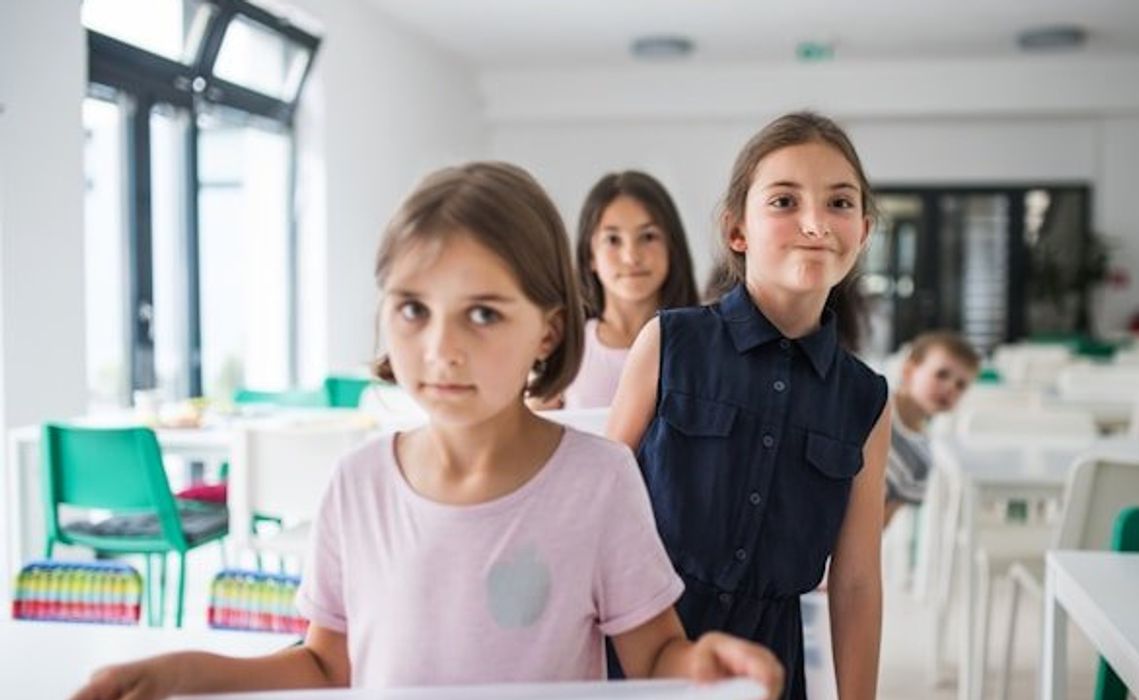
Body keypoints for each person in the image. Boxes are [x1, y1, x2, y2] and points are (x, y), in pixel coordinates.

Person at [71, 162, 783, 700]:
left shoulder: (597, 481)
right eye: (413, 309)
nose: (441, 348)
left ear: (549, 330)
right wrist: (181, 676)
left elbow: (652, 654)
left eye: (482, 314)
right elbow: (325, 665)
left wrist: (698, 667)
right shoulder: (357, 482)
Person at [607, 112, 893, 700]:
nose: (815, 223)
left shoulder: (865, 399)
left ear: (863, 231)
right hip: (639, 650)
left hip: (771, 666)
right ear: (737, 230)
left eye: (839, 203)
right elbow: (597, 506)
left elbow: (858, 580)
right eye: (785, 201)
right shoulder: (670, 343)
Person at [554, 170, 698, 409]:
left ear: (672, 247)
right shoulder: (566, 350)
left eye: (648, 237)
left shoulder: (706, 345)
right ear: (590, 255)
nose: (631, 257)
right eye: (613, 240)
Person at [883, 331, 980, 526]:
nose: (950, 387)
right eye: (941, 375)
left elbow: (881, 523)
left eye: (961, 385)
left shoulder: (923, 459)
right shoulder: (873, 407)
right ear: (909, 372)